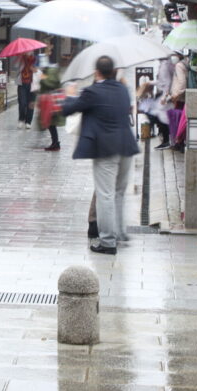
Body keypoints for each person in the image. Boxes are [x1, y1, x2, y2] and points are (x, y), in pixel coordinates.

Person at [61, 55, 140, 255]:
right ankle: (119, 234)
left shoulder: (93, 91)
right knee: (119, 193)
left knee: (105, 194)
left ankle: (107, 241)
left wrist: (70, 94)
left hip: (106, 149)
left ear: (97, 72)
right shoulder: (122, 89)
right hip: (127, 147)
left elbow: (68, 109)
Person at [38, 55, 69, 151]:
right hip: (49, 101)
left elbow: (51, 83)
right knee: (51, 124)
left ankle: (55, 143)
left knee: (51, 123)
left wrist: (42, 78)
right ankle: (55, 143)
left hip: (52, 101)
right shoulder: (46, 71)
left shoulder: (51, 71)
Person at [154, 54, 177, 149]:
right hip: (166, 94)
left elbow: (167, 82)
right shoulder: (168, 63)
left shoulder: (164, 65)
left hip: (164, 95)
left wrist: (164, 97)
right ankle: (169, 140)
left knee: (162, 118)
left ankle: (167, 140)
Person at [16, 52, 37, 129]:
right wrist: (20, 59)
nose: (28, 51)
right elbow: (15, 66)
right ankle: (21, 119)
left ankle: (28, 122)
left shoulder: (35, 59)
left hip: (33, 84)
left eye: (30, 50)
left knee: (31, 104)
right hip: (22, 83)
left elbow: (40, 71)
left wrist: (34, 68)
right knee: (22, 103)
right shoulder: (21, 58)